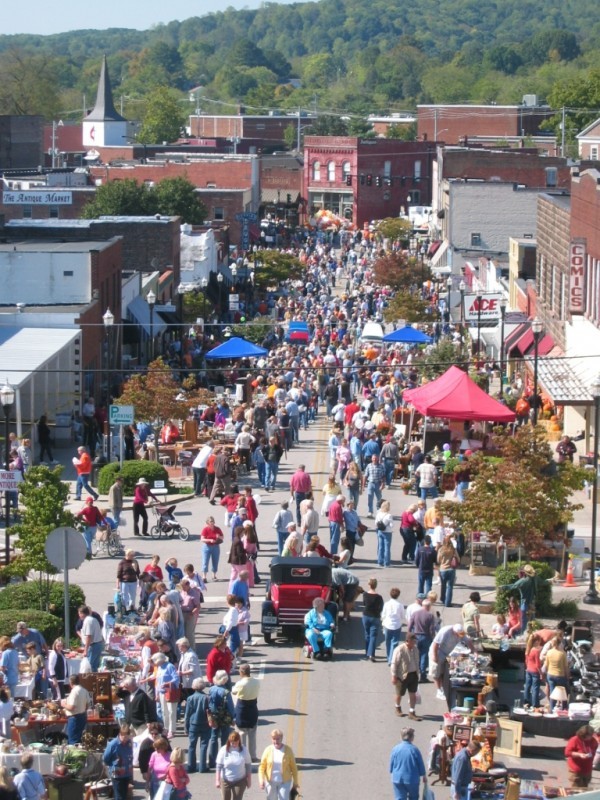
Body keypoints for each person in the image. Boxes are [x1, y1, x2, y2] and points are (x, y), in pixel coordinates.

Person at [430, 624, 474, 703]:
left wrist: (474, 652)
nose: (459, 636)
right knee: (437, 671)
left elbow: (468, 641)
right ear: (454, 631)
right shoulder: (445, 631)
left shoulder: (460, 632)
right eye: (458, 634)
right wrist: (435, 656)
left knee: (445, 671)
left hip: (448, 652)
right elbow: (435, 644)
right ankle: (438, 690)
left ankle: (443, 687)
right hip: (439, 651)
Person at [258, 729, 299, 800]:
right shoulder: (268, 750)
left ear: (281, 739)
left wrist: (295, 782)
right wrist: (261, 780)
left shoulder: (288, 750)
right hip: (270, 782)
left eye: (278, 739)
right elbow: (262, 767)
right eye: (274, 739)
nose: (276, 741)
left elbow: (294, 768)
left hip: (284, 782)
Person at [232, 663, 260, 762]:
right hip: (252, 708)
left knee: (241, 734)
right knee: (252, 734)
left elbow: (234, 691)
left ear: (242, 672)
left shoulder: (240, 683)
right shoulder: (256, 682)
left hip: (242, 710)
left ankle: (242, 755)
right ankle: (253, 756)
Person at [389, 726, 427, 800]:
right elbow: (420, 764)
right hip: (411, 779)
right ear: (411, 737)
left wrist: (391, 771)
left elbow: (391, 765)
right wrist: (424, 775)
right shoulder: (414, 750)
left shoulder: (395, 749)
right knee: (414, 797)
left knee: (399, 798)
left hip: (397, 778)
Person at [501, 564, 540, 632]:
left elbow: (514, 586)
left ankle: (522, 635)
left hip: (525, 604)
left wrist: (503, 587)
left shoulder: (524, 581)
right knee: (532, 621)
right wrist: (551, 580)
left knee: (523, 621)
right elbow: (543, 582)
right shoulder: (533, 580)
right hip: (532, 604)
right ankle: (531, 634)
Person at [208, 671, 235, 770]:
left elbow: (209, 703)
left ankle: (212, 761)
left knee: (214, 738)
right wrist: (233, 717)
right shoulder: (226, 692)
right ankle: (223, 760)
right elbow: (230, 707)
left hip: (214, 716)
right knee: (224, 738)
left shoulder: (211, 689)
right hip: (224, 717)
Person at [391, 635, 421, 721]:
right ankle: (397, 707)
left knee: (413, 694)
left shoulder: (415, 649)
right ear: (408, 641)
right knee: (399, 693)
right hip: (402, 675)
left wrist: (418, 673)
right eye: (413, 641)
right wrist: (394, 676)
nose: (414, 643)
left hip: (413, 674)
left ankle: (412, 712)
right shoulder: (399, 649)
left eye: (415, 641)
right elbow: (394, 663)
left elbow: (417, 661)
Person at [215, 730, 252, 799]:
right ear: (229, 741)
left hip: (240, 780)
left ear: (239, 741)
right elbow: (219, 766)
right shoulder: (223, 750)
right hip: (226, 780)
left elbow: (248, 766)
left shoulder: (244, 750)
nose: (233, 745)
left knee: (237, 798)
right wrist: (217, 780)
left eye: (235, 742)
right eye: (232, 743)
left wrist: (249, 780)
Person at [185, 678, 212, 773]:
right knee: (204, 745)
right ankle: (202, 767)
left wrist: (186, 727)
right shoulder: (207, 698)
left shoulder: (190, 698)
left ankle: (191, 766)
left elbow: (187, 714)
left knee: (192, 745)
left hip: (193, 724)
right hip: (205, 723)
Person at [152, 653, 180, 739]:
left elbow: (176, 678)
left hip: (170, 692)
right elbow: (157, 682)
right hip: (161, 692)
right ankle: (166, 728)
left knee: (171, 711)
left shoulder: (169, 666)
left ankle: (172, 730)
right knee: (164, 712)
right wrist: (156, 694)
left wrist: (168, 683)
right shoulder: (159, 667)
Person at [103, 725, 134, 800]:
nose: (125, 739)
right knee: (119, 796)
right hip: (117, 775)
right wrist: (113, 764)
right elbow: (105, 758)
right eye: (123, 737)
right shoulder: (113, 744)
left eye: (127, 737)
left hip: (127, 773)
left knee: (124, 795)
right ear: (120, 734)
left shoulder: (129, 743)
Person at [61, 674, 91, 744]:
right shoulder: (84, 690)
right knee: (79, 740)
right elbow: (87, 705)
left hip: (75, 718)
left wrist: (63, 704)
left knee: (73, 741)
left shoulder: (74, 692)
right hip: (83, 717)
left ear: (71, 682)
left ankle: (75, 754)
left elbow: (72, 707)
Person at [544, 635, 569, 710]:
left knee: (552, 692)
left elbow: (546, 665)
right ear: (559, 643)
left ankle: (552, 709)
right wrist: (567, 676)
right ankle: (564, 708)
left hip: (550, 674)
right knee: (564, 692)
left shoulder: (549, 652)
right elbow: (566, 667)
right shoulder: (562, 653)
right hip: (560, 675)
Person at [362, 577, 384, 662]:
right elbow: (381, 607)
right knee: (373, 636)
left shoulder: (365, 595)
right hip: (375, 616)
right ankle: (371, 654)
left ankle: (367, 652)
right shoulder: (379, 597)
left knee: (367, 634)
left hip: (366, 616)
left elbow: (364, 604)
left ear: (369, 584)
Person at [381, 588, 405, 665]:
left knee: (388, 642)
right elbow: (403, 615)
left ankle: (389, 657)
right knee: (394, 643)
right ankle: (391, 659)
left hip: (387, 625)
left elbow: (383, 614)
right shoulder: (400, 605)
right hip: (396, 625)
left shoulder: (386, 604)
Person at [78, 605, 104, 671]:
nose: (79, 616)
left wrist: (85, 650)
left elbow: (89, 636)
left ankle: (90, 680)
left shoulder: (88, 621)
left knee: (89, 666)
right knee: (94, 666)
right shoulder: (93, 619)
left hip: (93, 646)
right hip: (98, 644)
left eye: (79, 614)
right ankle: (94, 680)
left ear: (82, 613)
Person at [437, 534, 459, 607]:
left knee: (443, 585)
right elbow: (458, 559)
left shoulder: (441, 549)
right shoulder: (453, 550)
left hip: (443, 569)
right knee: (450, 587)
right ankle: (448, 602)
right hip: (451, 569)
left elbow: (438, 559)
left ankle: (443, 599)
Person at [201, 516, 224, 582]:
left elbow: (222, 537)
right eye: (210, 522)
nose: (212, 523)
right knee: (205, 562)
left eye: (213, 522)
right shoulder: (205, 529)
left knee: (215, 561)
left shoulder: (217, 529)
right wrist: (209, 540)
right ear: (207, 523)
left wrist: (219, 536)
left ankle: (214, 575)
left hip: (215, 546)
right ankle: (204, 577)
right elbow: (202, 539)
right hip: (207, 546)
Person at [523, 633, 543, 709]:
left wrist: (527, 667)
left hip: (528, 669)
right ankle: (535, 704)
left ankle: (526, 702)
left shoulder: (528, 649)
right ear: (537, 641)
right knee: (535, 688)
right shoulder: (536, 651)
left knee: (527, 686)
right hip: (535, 671)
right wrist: (541, 673)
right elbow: (538, 664)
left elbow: (526, 661)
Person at [375, 499, 393, 567]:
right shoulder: (389, 515)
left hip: (380, 531)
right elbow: (392, 525)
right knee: (387, 548)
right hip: (387, 532)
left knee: (380, 547)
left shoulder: (378, 514)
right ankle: (387, 563)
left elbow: (376, 523)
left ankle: (380, 562)